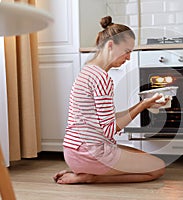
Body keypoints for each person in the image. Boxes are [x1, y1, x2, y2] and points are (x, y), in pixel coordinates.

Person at [53, 16, 168, 184]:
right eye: (127, 51)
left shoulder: (88, 71)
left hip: (74, 151)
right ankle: (92, 177)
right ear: (110, 45)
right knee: (158, 168)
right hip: (91, 153)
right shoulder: (102, 78)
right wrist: (143, 105)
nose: (129, 57)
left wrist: (144, 104)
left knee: (143, 157)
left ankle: (86, 171)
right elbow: (110, 129)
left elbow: (105, 120)